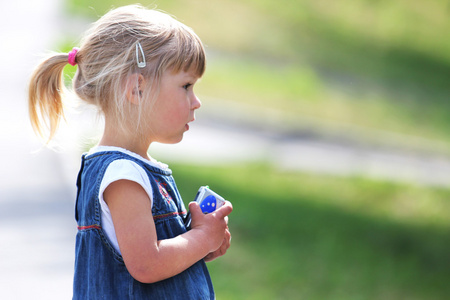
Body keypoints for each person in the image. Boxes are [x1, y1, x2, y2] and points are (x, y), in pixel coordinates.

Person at [28, 5, 233, 299]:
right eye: (186, 86)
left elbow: (156, 258)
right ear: (137, 88)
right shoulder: (123, 177)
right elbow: (147, 265)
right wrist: (201, 238)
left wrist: (199, 244)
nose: (196, 101)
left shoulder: (135, 170)